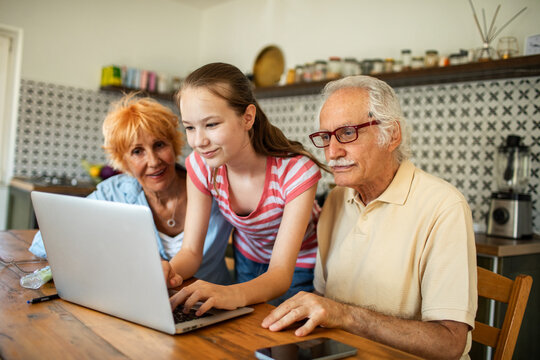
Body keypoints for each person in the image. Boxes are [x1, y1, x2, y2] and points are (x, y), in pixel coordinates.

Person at [262, 75, 478, 360]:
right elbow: (324, 300)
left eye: (348, 133)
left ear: (392, 135)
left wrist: (346, 316)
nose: (332, 152)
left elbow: (450, 344)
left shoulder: (443, 206)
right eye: (325, 137)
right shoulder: (337, 199)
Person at [164, 62, 325, 313]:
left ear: (247, 117)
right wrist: (168, 272)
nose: (198, 141)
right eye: (190, 127)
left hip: (299, 265)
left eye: (212, 124)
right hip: (248, 257)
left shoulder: (295, 171)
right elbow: (192, 251)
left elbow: (281, 274)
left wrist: (230, 293)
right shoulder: (201, 166)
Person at [29, 94, 233, 285]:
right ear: (123, 161)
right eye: (137, 151)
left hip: (212, 302)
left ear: (174, 145)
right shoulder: (114, 193)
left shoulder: (213, 185)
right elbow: (43, 241)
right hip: (145, 303)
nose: (153, 161)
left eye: (160, 145)